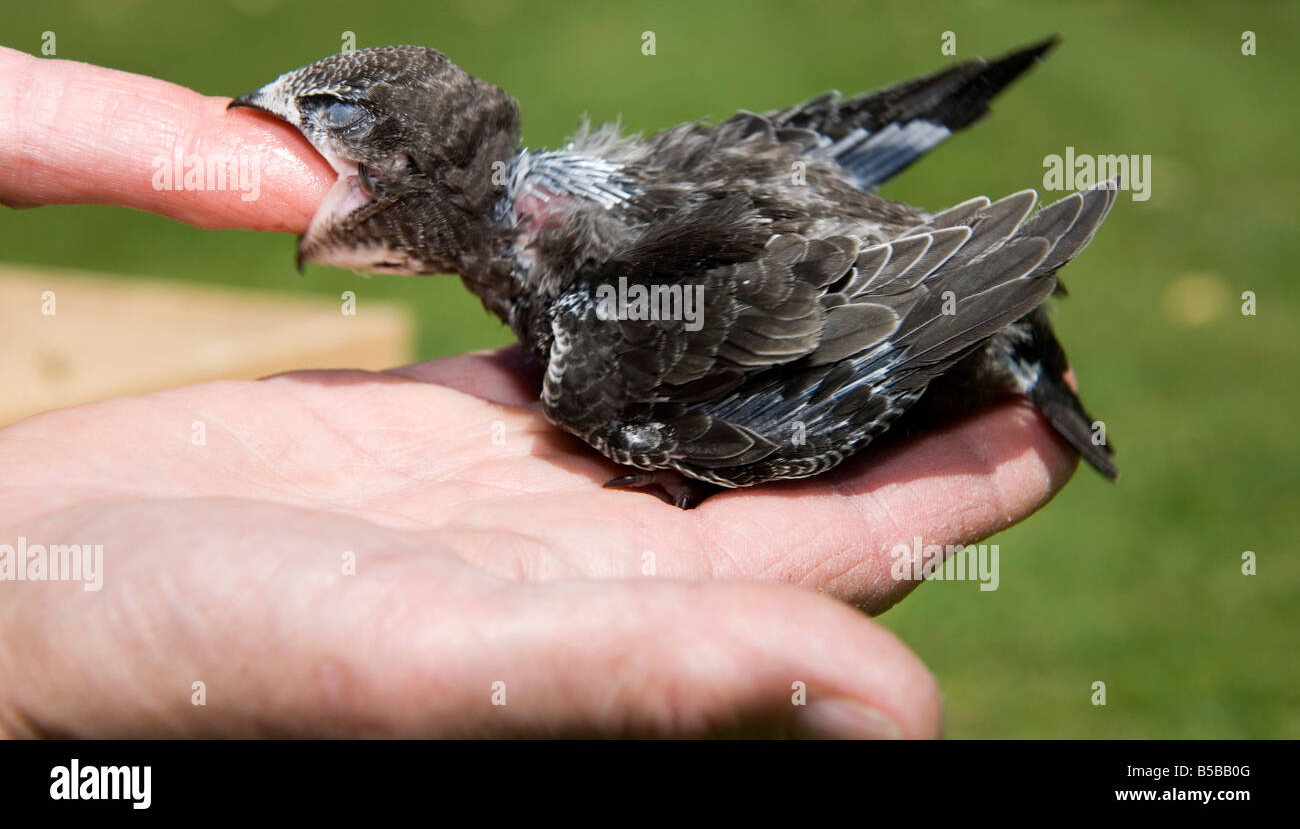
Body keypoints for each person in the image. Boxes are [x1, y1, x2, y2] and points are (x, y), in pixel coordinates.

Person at [0, 46, 1078, 738]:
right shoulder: (600, 218)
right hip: (849, 257)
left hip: (918, 303)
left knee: (674, 421)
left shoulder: (597, 352)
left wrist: (984, 306)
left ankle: (1010, 347)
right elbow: (769, 168)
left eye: (349, 140)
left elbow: (806, 309)